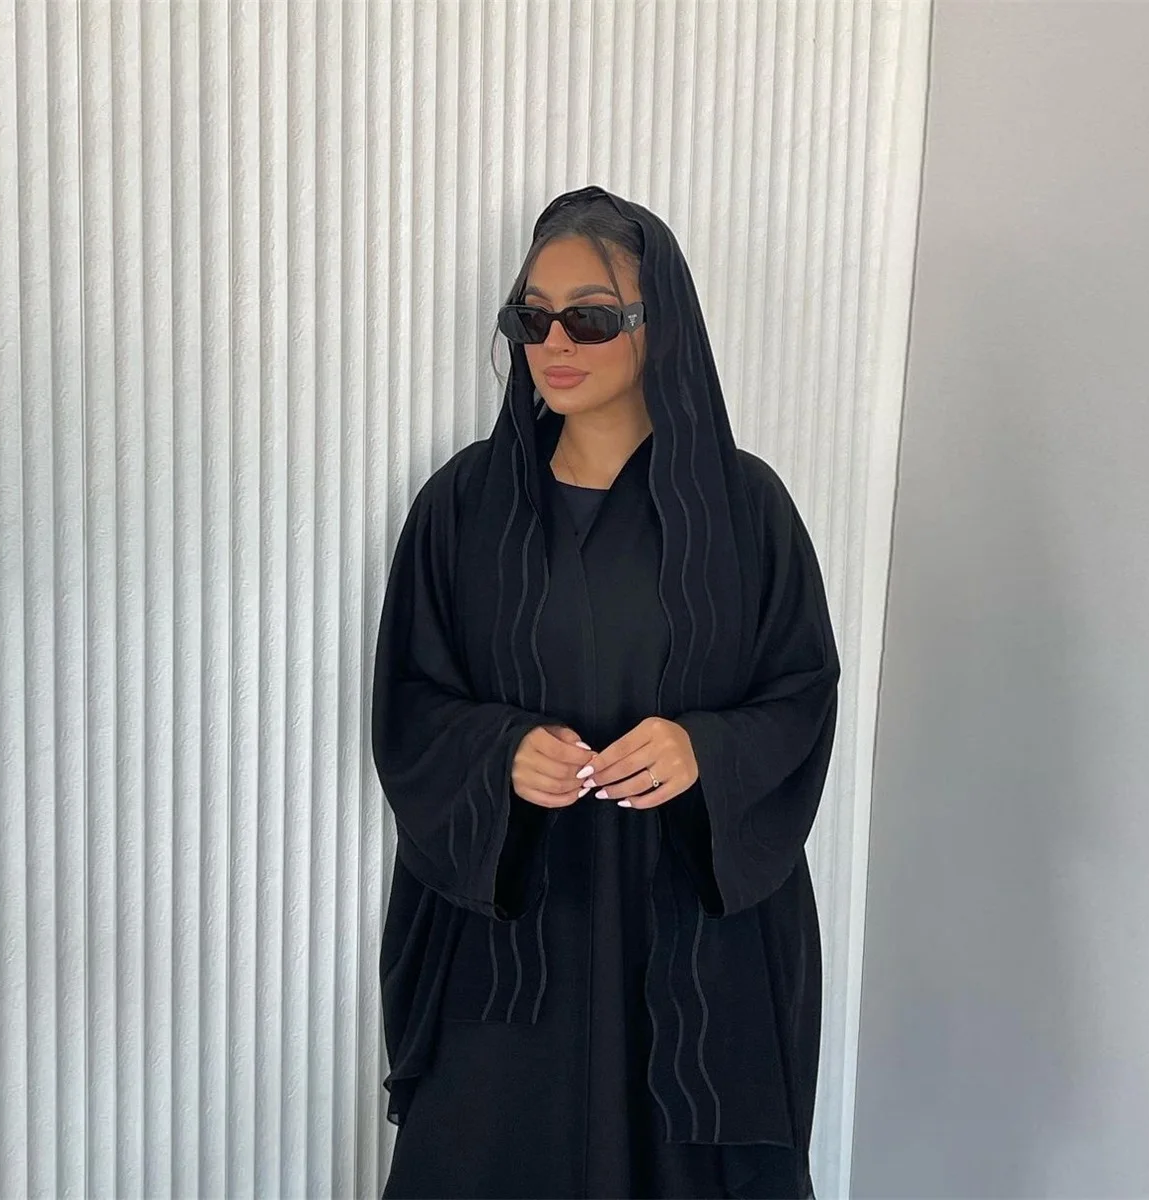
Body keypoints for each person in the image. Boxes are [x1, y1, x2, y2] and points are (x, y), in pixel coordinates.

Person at [371, 185, 840, 1200]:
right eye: (530, 317)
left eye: (588, 317)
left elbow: (802, 692)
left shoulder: (745, 510)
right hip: (513, 933)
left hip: (695, 930)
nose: (554, 342)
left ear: (659, 325)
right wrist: (497, 750)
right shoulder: (464, 506)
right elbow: (408, 698)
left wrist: (704, 749)